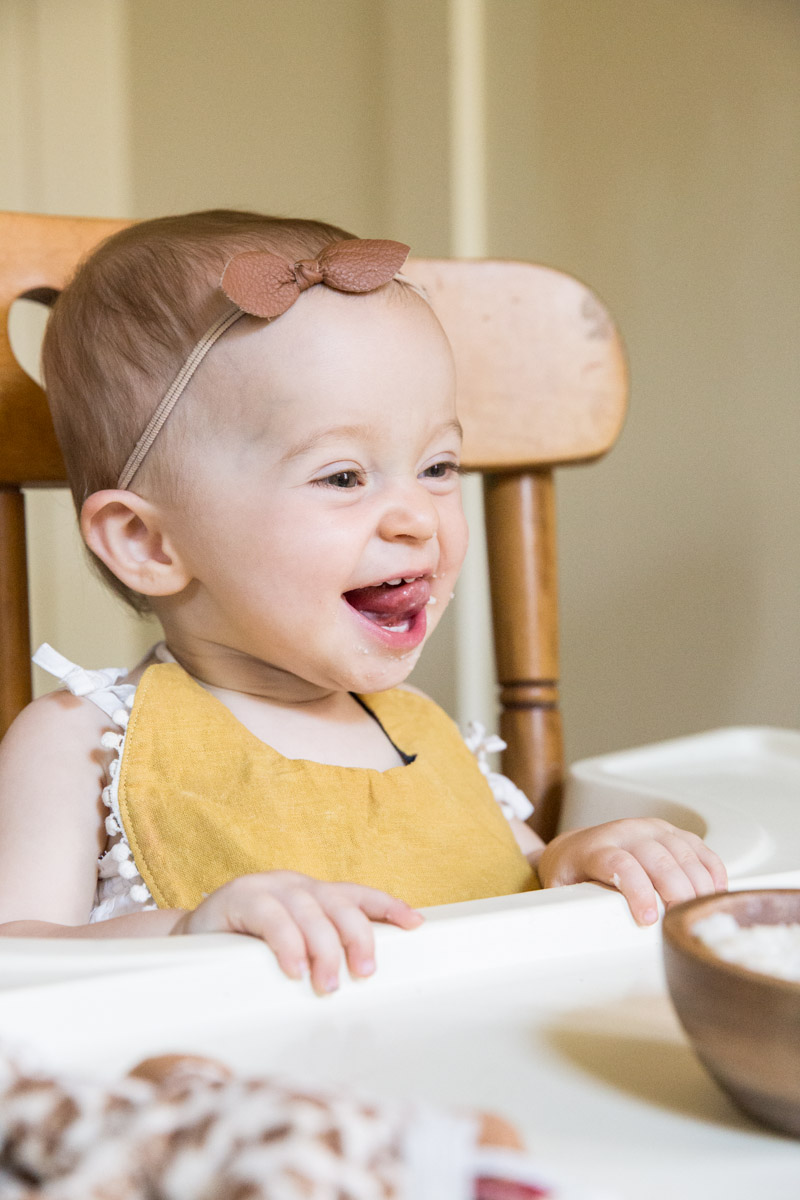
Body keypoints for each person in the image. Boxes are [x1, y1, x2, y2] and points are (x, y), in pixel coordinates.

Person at [0, 211, 726, 995]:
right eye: (344, 476)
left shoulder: (420, 729)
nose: (418, 518)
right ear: (148, 544)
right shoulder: (84, 744)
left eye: (440, 466)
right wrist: (189, 930)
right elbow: (18, 956)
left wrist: (575, 859)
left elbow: (503, 880)